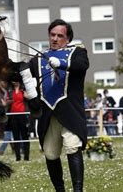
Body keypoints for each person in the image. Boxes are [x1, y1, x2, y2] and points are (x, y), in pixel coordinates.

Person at [27, 19, 89, 191]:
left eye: (59, 36)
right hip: (48, 114)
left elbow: (82, 65)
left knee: (72, 147)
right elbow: (22, 71)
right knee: (50, 154)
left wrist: (60, 63)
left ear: (67, 39)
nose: (55, 38)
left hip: (70, 113)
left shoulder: (77, 52)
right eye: (52, 35)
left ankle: (78, 190)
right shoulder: (39, 59)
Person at [7, 79, 30, 161]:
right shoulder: (10, 91)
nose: (15, 82)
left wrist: (25, 94)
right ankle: (18, 157)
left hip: (23, 115)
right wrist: (8, 101)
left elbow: (29, 98)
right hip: (13, 116)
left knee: (25, 136)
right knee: (16, 137)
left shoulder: (23, 90)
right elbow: (6, 102)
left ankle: (26, 157)